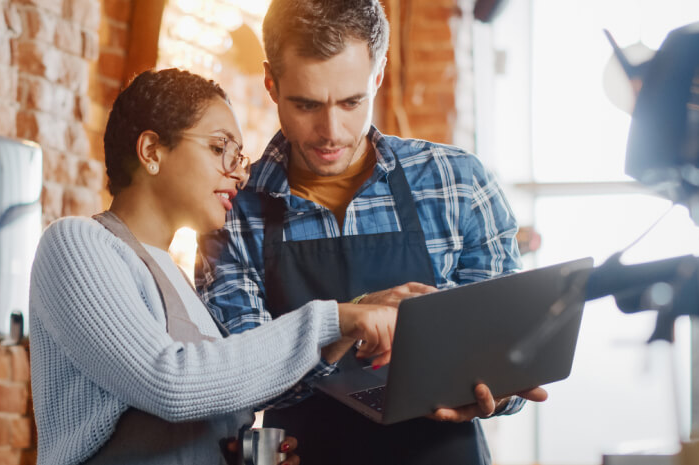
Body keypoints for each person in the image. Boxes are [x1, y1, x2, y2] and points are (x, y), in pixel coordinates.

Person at [196, 0, 548, 463]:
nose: (331, 131)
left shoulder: (457, 183)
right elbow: (236, 383)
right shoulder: (233, 213)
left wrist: (499, 392)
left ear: (377, 76)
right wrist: (348, 320)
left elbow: (507, 355)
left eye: (351, 101)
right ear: (272, 84)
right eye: (306, 104)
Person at [28, 68, 400, 465]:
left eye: (239, 157)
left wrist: (239, 457)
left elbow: (190, 413)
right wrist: (333, 319)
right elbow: (170, 383)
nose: (239, 173)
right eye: (219, 147)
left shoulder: (180, 283)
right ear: (152, 151)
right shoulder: (76, 242)